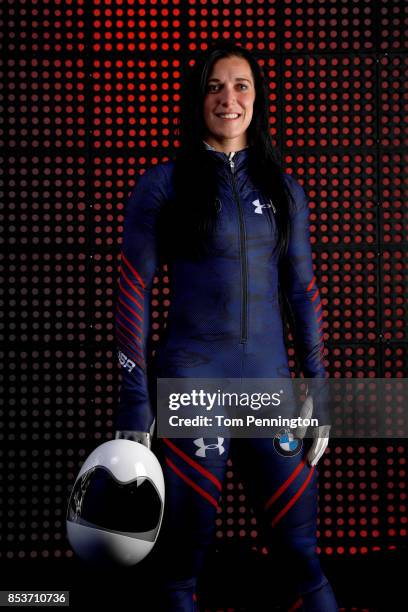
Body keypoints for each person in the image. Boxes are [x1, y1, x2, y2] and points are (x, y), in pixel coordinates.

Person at [114, 42, 338, 611]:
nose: (228, 98)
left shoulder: (284, 189)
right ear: (199, 98)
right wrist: (135, 408)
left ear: (257, 98)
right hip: (192, 388)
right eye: (215, 85)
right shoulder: (162, 184)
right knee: (180, 565)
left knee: (301, 557)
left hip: (270, 390)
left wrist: (320, 388)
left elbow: (302, 291)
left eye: (241, 85)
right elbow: (132, 290)